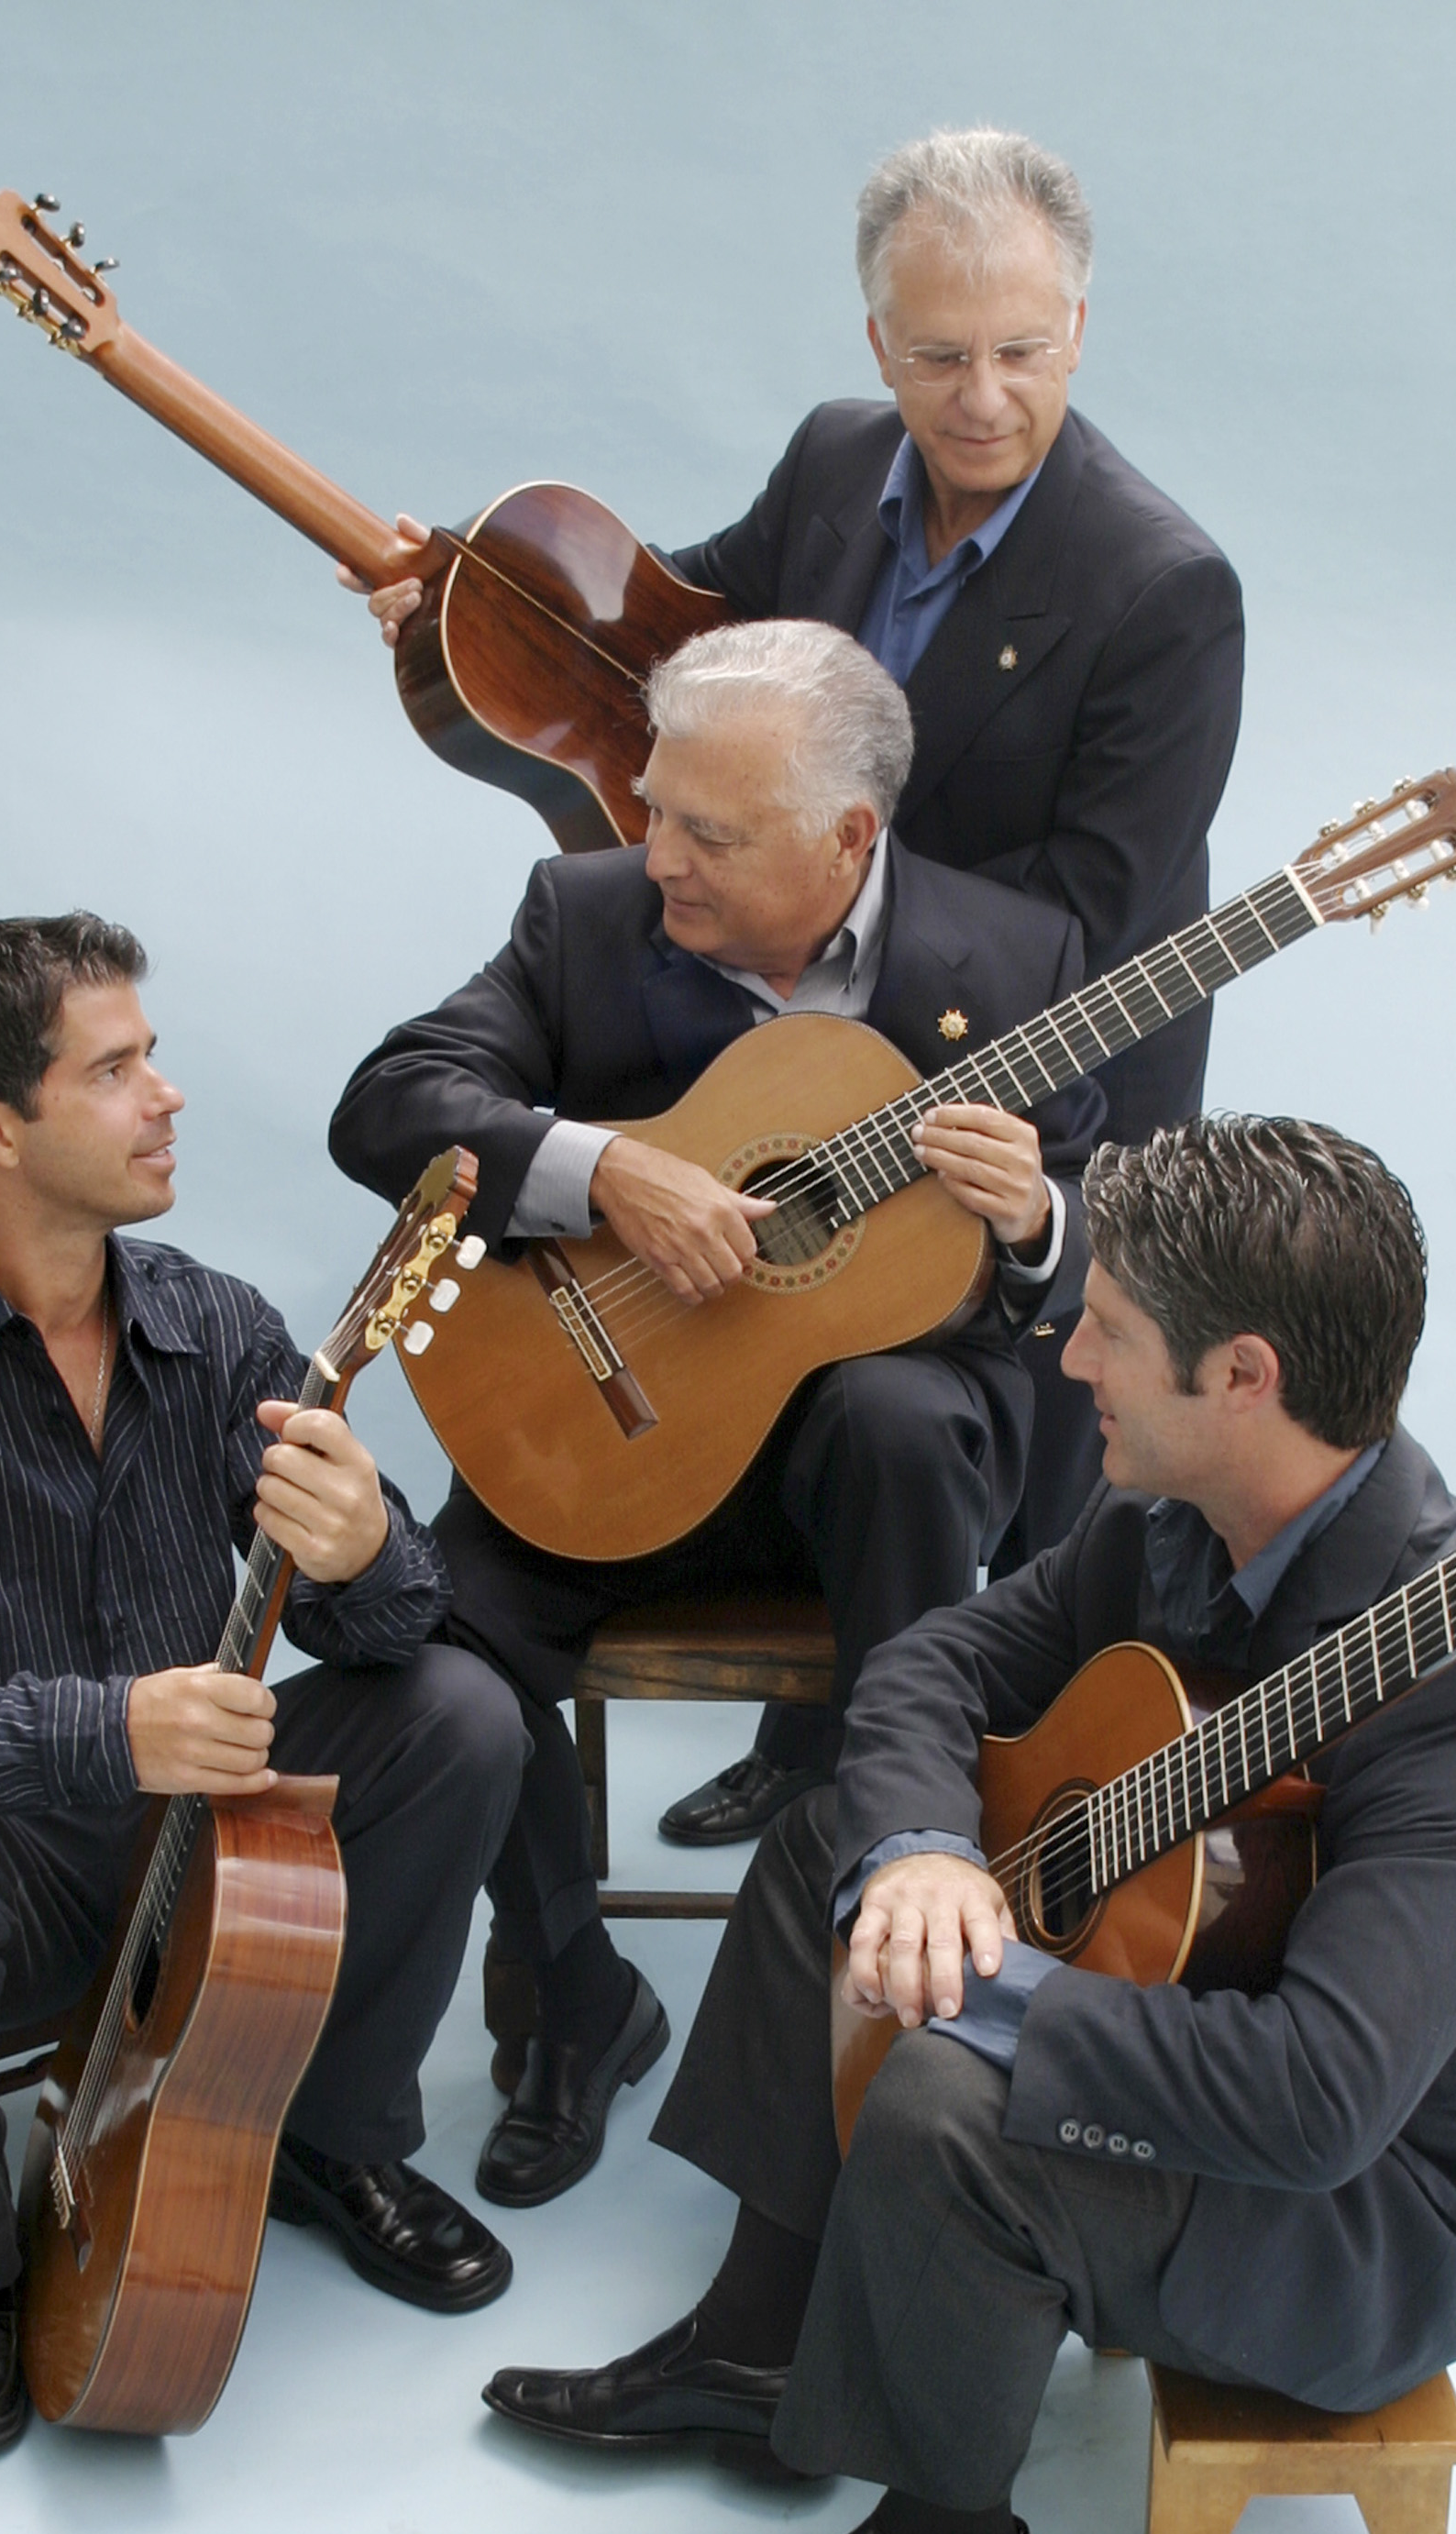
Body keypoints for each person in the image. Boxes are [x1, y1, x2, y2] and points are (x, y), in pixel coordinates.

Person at [479, 1115, 1456, 2534]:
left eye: (1112, 1333)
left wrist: (972, 1993)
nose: (1069, 1361)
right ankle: (761, 2340)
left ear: (1247, 1378)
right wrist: (927, 1855)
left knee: (952, 2094)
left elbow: (1318, 2100)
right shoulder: (1166, 1520)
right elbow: (940, 1662)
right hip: (1193, 2024)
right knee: (825, 1859)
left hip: (1372, 2222)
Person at [348, 129, 1245, 1831]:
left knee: (906, 1407)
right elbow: (689, 646)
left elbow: (1092, 918)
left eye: (1022, 351)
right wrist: (471, 614)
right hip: (780, 1004)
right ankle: (792, 1754)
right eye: (936, 356)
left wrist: (824, 912)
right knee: (737, 1352)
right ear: (872, 347)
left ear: (1081, 325)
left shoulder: (1163, 589)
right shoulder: (843, 463)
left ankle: (881, 1791)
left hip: (1017, 1035)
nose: (980, 398)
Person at [0, 916, 529, 2462]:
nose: (166, 1095)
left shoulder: (213, 1326)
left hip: (214, 1861)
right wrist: (101, 1729)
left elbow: (385, 1626)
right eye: (114, 1067)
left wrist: (363, 1550)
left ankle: (331, 2137)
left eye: (149, 1055)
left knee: (463, 1713)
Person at [328, 620, 1105, 2211]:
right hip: (616, 1428)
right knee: (440, 1636)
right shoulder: (589, 911)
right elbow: (391, 1103)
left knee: (897, 1410)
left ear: (848, 838)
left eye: (709, 833)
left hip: (870, 1493)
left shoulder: (1013, 961)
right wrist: (601, 1165)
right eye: (659, 809)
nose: (658, 855)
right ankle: (571, 1998)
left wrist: (1036, 1218)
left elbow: (1101, 1255)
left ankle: (888, 1956)